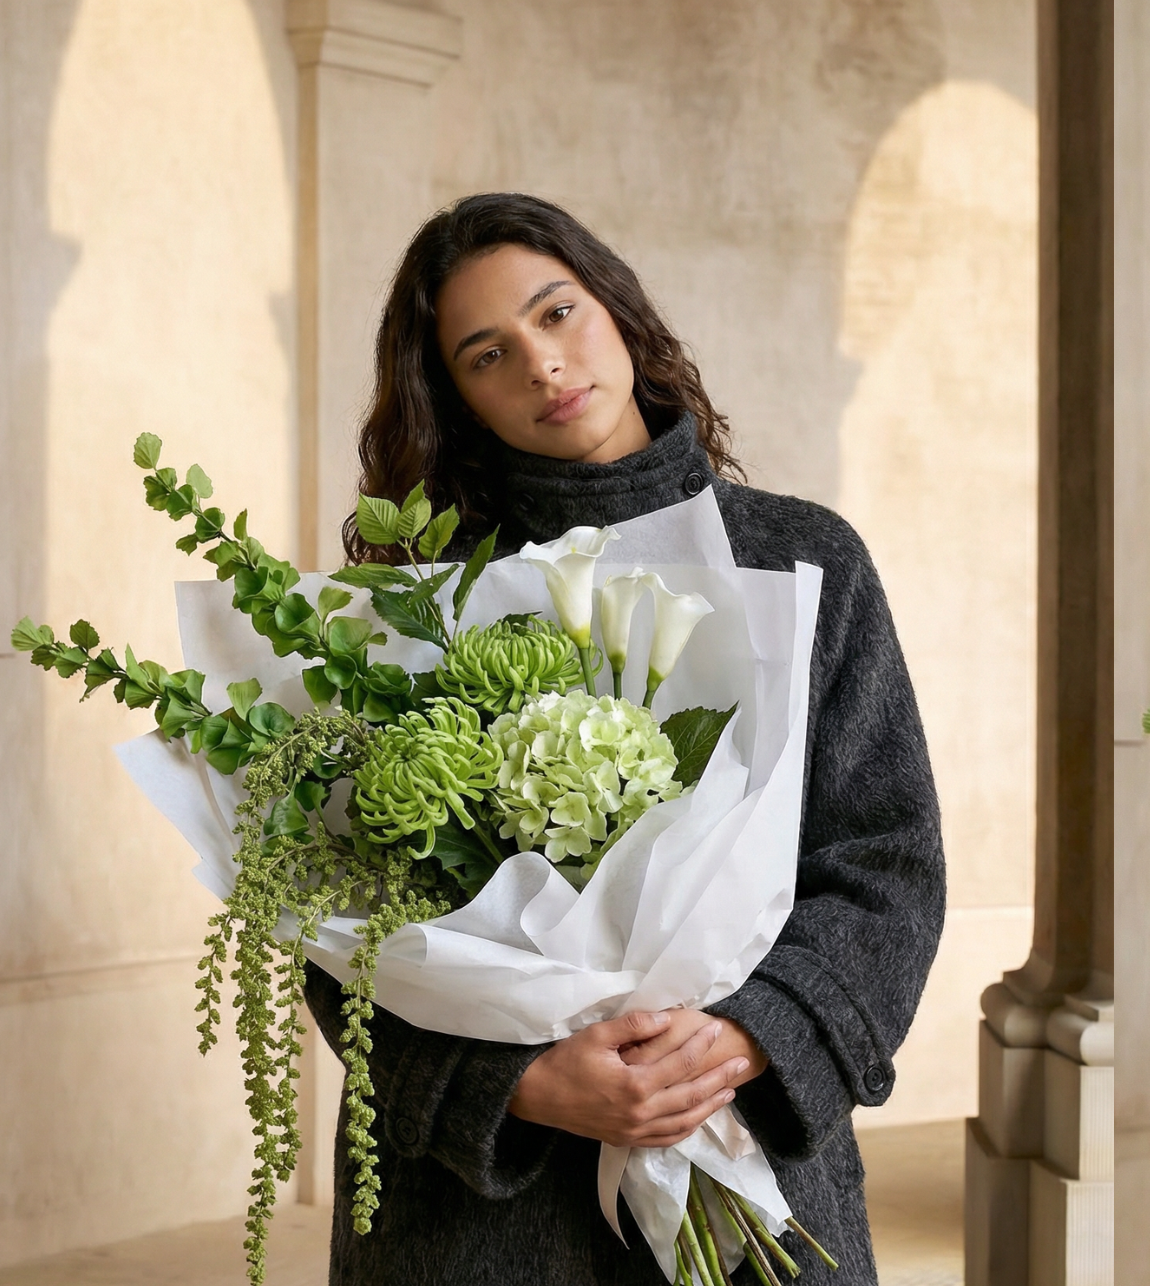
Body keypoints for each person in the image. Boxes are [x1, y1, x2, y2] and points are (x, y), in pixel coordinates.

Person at [301, 191, 945, 1285]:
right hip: (477, 1221)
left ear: (617, 310)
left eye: (557, 314)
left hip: (748, 1153)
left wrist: (745, 1040)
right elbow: (340, 921)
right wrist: (520, 1082)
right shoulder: (416, 609)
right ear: (453, 397)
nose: (543, 366)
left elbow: (884, 859)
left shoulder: (803, 558)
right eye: (487, 353)